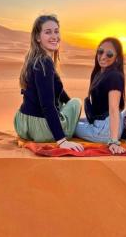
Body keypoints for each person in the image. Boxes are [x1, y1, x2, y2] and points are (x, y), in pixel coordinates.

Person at [14, 15, 84, 151]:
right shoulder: (44, 62)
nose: (54, 36)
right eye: (48, 32)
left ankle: (63, 123)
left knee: (68, 103)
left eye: (56, 31)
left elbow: (60, 93)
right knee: (76, 102)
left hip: (22, 124)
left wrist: (68, 109)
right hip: (39, 130)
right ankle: (61, 132)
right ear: (38, 37)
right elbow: (47, 105)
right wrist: (62, 141)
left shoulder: (33, 59)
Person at [75, 37, 126, 154]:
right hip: (101, 122)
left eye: (109, 54)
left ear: (117, 57)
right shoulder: (99, 73)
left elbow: (113, 109)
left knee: (69, 127)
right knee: (73, 120)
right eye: (100, 51)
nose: (103, 56)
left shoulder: (114, 76)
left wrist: (113, 141)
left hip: (106, 131)